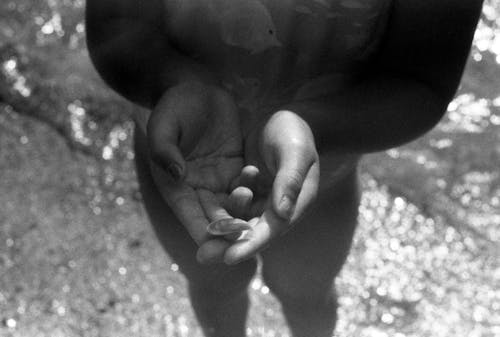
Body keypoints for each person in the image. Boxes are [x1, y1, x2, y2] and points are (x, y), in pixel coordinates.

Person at [85, 0, 483, 336]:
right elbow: (118, 27)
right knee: (212, 282)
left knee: (307, 290)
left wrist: (312, 125)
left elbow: (421, 80)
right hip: (183, 156)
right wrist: (175, 80)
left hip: (320, 171)